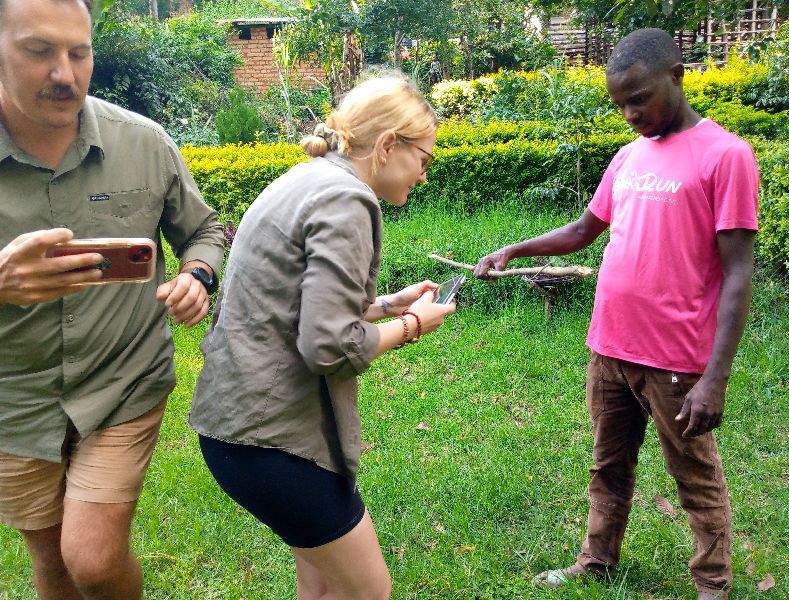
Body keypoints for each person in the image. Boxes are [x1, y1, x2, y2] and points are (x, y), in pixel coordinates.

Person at [474, 28, 758, 600]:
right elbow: (585, 230)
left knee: (694, 478)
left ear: (677, 77)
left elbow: (738, 274)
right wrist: (516, 249)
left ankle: (713, 583)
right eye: (620, 104)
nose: (629, 114)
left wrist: (715, 378)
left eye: (639, 99)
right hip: (610, 347)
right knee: (607, 466)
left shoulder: (727, 155)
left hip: (676, 359)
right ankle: (596, 561)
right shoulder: (628, 156)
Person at [189, 74, 455, 600]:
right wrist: (412, 325)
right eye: (423, 159)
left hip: (234, 432)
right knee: (367, 591)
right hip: (273, 443)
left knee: (320, 585)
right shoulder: (347, 200)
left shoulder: (307, 178)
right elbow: (329, 346)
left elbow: (295, 306)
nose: (424, 176)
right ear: (387, 146)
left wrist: (386, 304)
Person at [0, 0, 225, 598]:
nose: (65, 74)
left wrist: (198, 276)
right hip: (13, 401)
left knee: (93, 559)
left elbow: (203, 230)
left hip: (123, 381)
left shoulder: (143, 144)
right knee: (51, 564)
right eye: (39, 51)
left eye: (79, 52)